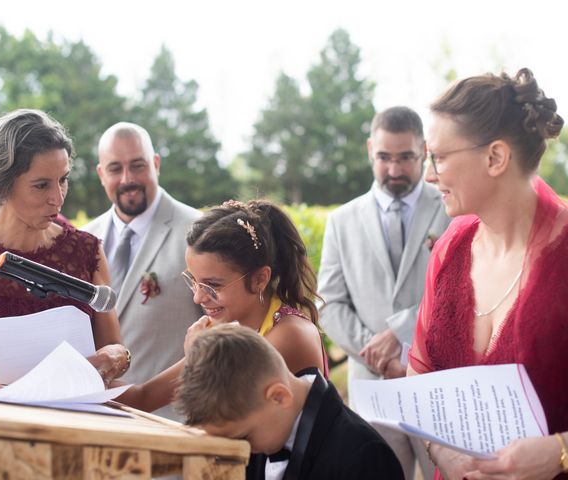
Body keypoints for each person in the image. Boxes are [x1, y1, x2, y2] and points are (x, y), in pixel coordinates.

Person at [408, 67, 568, 480]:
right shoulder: (450, 248)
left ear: (495, 157)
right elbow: (421, 374)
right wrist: (440, 448)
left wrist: (560, 452)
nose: (428, 175)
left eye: (439, 157)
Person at [0, 109, 129, 386]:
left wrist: (118, 356)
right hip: (0, 424)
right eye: (41, 185)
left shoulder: (87, 251)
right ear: (3, 183)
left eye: (63, 180)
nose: (57, 199)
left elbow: (114, 347)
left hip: (83, 421)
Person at [317, 106, 449, 479]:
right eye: (384, 158)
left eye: (405, 158)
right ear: (369, 149)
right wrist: (377, 353)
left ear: (423, 150)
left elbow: (464, 288)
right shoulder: (341, 221)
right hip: (371, 390)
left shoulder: (453, 207)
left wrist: (403, 334)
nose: (394, 170)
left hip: (436, 380)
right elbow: (330, 302)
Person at [118, 199, 327, 413]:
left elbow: (219, 418)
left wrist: (197, 360)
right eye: (194, 282)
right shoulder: (229, 329)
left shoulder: (290, 335)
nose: (198, 298)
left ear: (259, 279)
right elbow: (143, 397)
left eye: (212, 286)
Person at [173, 324, 405, 480]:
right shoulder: (262, 424)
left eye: (243, 438)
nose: (239, 448)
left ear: (278, 396)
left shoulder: (364, 456)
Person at [82, 122, 201, 419]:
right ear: (100, 174)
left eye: (137, 165)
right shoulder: (81, 242)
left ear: (156, 164)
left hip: (175, 427)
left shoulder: (198, 232)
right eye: (114, 169)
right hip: (96, 424)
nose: (127, 179)